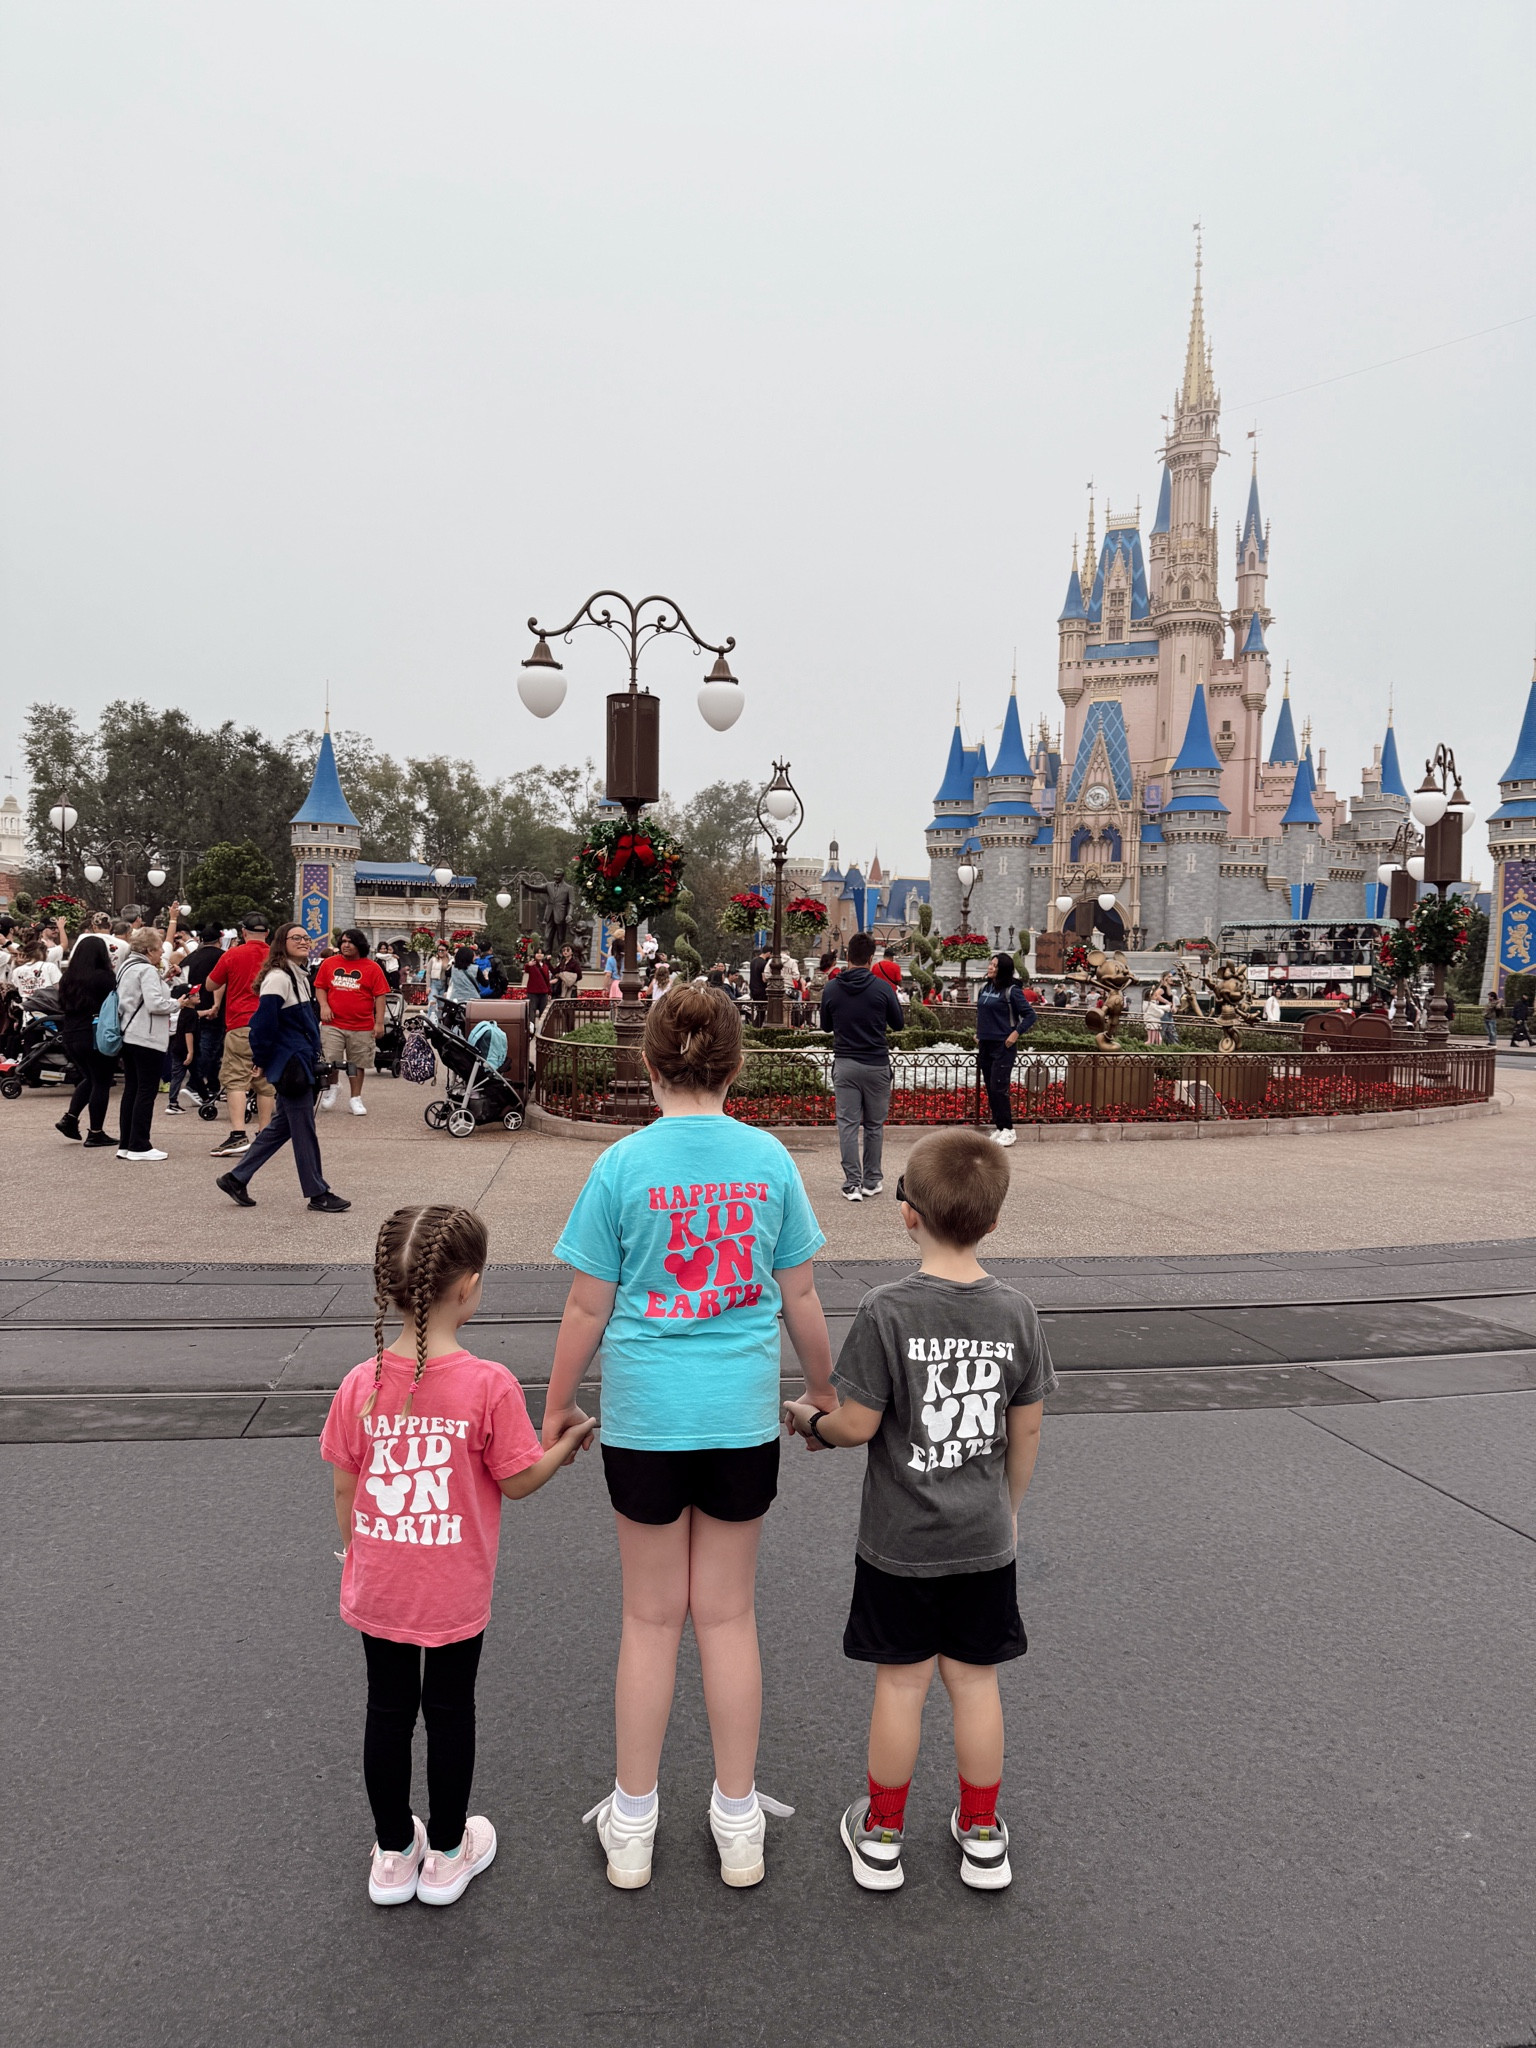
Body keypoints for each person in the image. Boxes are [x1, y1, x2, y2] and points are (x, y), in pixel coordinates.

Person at [544, 985, 834, 1891]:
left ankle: (633, 1820)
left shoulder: (623, 1167)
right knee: (729, 1615)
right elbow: (801, 1297)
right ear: (738, 1063)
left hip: (646, 1416)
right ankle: (737, 1816)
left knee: (648, 1617)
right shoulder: (767, 1159)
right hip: (740, 1416)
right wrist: (821, 1391)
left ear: (648, 1062)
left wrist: (554, 1407)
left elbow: (588, 1304)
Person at [782, 1128, 1055, 1894]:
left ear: (907, 1213)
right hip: (983, 1538)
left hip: (899, 1543)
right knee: (976, 1684)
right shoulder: (1018, 1313)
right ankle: (980, 1833)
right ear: (994, 1221)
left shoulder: (885, 1309)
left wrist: (808, 1419)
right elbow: (1025, 1427)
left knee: (900, 1684)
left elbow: (858, 1424)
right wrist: (1007, 1509)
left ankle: (881, 1834)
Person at [321, 1204, 595, 1908]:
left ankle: (392, 1851)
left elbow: (346, 1481)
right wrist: (561, 1450)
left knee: (385, 1710)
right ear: (469, 1286)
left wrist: (358, 1553)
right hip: (452, 1587)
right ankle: (446, 1852)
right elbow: (518, 1480)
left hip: (379, 1583)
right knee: (449, 1711)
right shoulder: (489, 1385)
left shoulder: (360, 1383)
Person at [214, 922, 350, 1213]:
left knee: (281, 1127)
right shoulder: (278, 977)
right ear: (281, 942)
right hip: (291, 1063)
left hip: (298, 1060)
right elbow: (262, 1024)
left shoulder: (297, 974)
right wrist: (260, 1060)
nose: (303, 941)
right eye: (295, 938)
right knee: (304, 1129)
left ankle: (236, 1177)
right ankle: (318, 1192)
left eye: (305, 937)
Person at [820, 931, 904, 1202]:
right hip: (876, 1064)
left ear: (847, 957)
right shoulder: (882, 988)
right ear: (871, 959)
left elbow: (825, 1026)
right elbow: (898, 1023)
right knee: (874, 1125)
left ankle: (851, 1184)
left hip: (845, 1062)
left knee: (847, 1124)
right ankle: (872, 1181)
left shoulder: (832, 988)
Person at [206, 912, 275, 1160]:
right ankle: (265, 1134)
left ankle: (237, 1135)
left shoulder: (232, 954)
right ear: (267, 933)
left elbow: (210, 985)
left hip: (240, 1022)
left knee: (236, 1078)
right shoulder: (277, 957)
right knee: (266, 1082)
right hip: (271, 1025)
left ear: (243, 932)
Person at [115, 926, 177, 1161]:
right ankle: (140, 1144)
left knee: (131, 1089)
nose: (162, 952)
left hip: (128, 1034)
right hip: (147, 1037)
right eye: (159, 948)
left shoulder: (126, 967)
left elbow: (137, 998)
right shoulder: (147, 970)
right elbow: (155, 1005)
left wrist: (163, 979)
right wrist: (179, 1003)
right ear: (149, 949)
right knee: (146, 1090)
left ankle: (126, 1143)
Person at [315, 929, 390, 1117]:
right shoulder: (329, 963)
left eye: (350, 942)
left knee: (357, 1063)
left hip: (362, 1025)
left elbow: (380, 996)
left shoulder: (372, 967)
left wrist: (379, 1023)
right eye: (343, 942)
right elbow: (320, 987)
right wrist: (323, 1006)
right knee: (331, 1059)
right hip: (333, 1022)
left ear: (360, 945)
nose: (345, 945)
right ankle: (333, 1086)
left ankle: (355, 1098)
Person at [55, 934, 119, 1147]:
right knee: (101, 1081)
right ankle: (96, 1132)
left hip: (71, 1033)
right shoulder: (104, 977)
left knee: (90, 1078)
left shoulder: (67, 977)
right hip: (94, 1032)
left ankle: (70, 1118)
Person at [974, 953, 1034, 1146]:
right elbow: (983, 1013)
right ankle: (1000, 1127)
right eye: (990, 964)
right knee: (991, 1088)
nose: (990, 967)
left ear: (1003, 969)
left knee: (999, 1087)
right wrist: (979, 1033)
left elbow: (1030, 1015)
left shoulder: (1012, 991)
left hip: (1003, 1045)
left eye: (994, 965)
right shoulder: (985, 988)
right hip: (986, 1044)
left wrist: (1015, 1033)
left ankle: (1009, 1129)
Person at [176, 924, 227, 1109]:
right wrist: (216, 1005)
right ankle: (194, 1085)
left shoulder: (191, 957)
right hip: (212, 1009)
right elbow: (220, 981)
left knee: (203, 1048)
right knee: (209, 1048)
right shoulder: (221, 956)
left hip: (190, 1008)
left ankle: (212, 1086)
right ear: (219, 940)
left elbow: (181, 979)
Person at [523, 946, 552, 1024]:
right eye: (537, 953)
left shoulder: (545, 966)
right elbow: (526, 969)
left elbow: (547, 981)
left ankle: (541, 1030)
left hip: (543, 993)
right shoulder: (532, 964)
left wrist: (549, 992)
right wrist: (528, 965)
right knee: (531, 1012)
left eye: (541, 953)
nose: (539, 955)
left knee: (543, 1014)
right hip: (533, 993)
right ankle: (531, 1031)